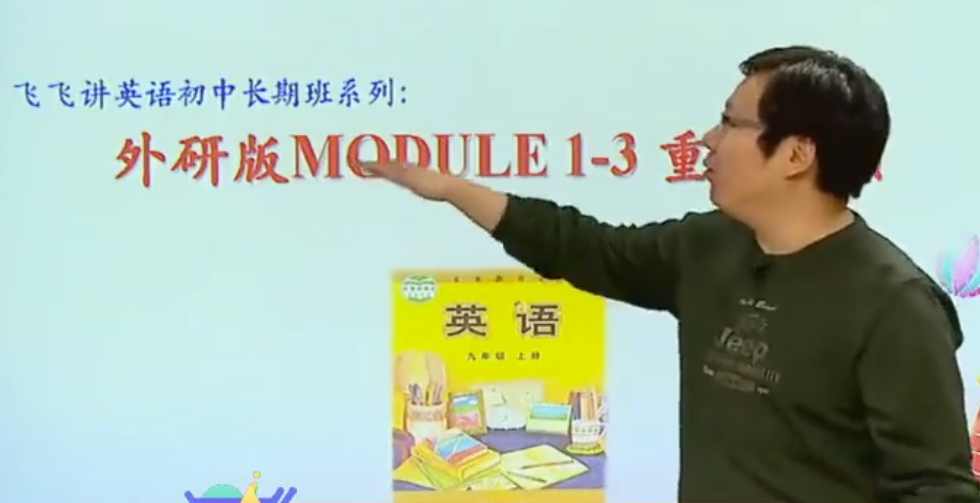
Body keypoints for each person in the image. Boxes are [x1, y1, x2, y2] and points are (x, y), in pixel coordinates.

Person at [362, 46, 980, 502]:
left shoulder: (894, 303)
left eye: (731, 123)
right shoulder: (710, 245)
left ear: (797, 154)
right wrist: (452, 190)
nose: (708, 140)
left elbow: (936, 487)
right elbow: (587, 248)